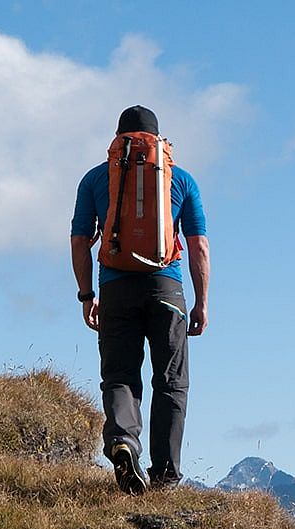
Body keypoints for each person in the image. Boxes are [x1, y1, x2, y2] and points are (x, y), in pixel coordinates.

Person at [70, 105, 210, 493]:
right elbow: (198, 246)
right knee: (171, 382)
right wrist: (201, 303)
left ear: (118, 141)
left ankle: (122, 441)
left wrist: (86, 294)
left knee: (120, 375)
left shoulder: (97, 179)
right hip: (166, 289)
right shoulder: (179, 180)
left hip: (115, 289)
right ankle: (164, 477)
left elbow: (80, 239)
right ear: (158, 141)